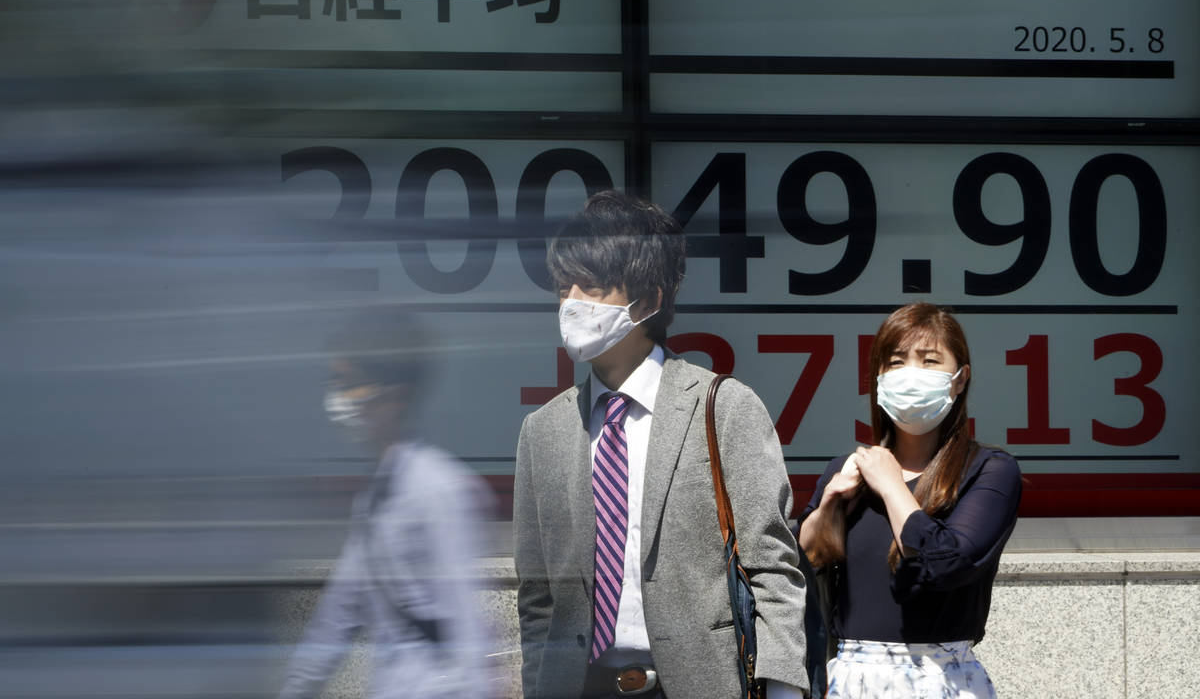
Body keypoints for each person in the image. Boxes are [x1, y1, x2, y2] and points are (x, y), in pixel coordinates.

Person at [514, 190, 810, 699]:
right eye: (564, 287)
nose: (572, 302)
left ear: (649, 300)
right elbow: (538, 595)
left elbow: (772, 568)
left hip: (700, 684)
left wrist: (782, 688)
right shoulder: (543, 431)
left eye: (593, 285)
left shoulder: (724, 408)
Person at [797, 303, 1021, 698]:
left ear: (960, 379)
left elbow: (947, 563)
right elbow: (806, 560)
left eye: (929, 360)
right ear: (879, 378)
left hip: (942, 677)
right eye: (896, 362)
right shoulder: (848, 469)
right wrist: (830, 501)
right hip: (852, 677)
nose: (911, 374)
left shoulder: (989, 470)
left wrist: (892, 486)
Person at [280, 307, 496, 699]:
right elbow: (338, 615)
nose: (337, 400)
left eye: (349, 384)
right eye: (335, 383)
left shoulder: (438, 489)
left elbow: (466, 625)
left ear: (394, 396)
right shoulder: (374, 499)